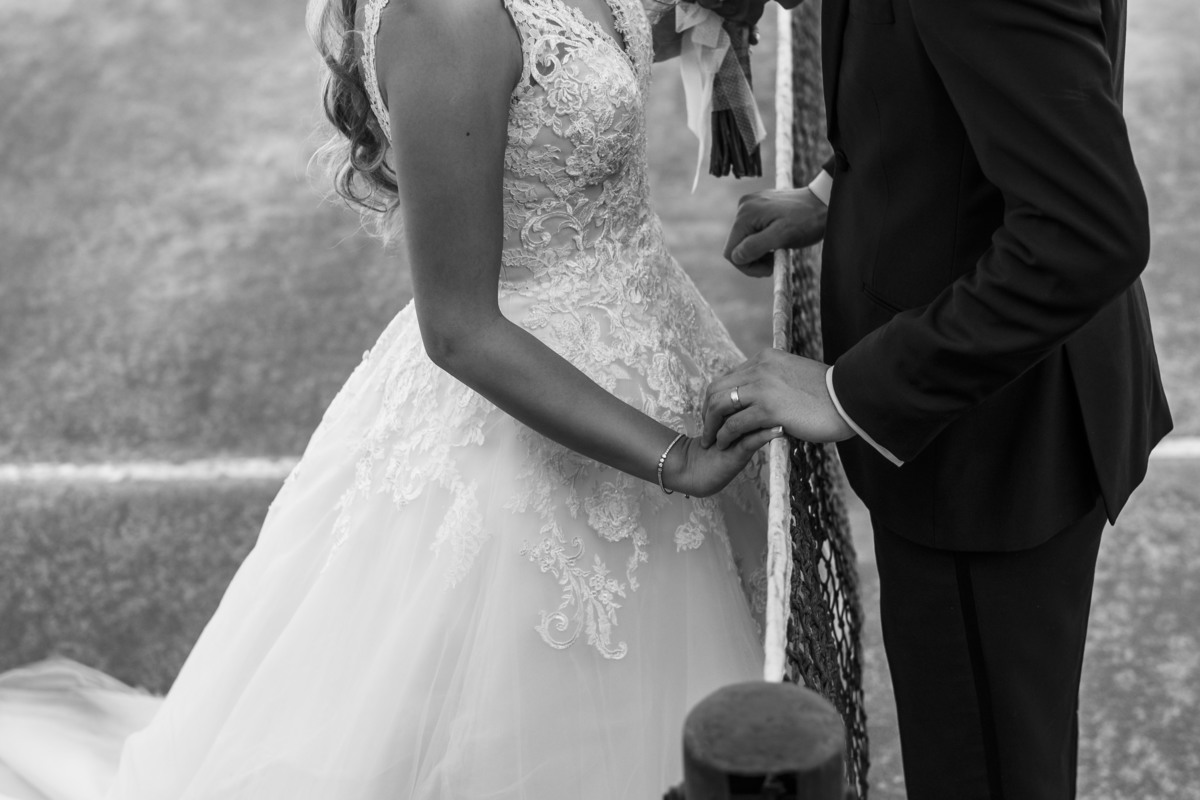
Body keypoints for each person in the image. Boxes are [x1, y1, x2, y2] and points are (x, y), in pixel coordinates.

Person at [0, 1, 792, 798]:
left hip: (654, 337)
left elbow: (579, 56)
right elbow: (458, 330)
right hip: (537, 418)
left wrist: (701, 16)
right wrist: (671, 455)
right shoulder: (441, 18)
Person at [714, 0, 1173, 797]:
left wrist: (848, 391)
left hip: (987, 452)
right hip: (975, 434)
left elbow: (1085, 229)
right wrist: (840, 188)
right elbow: (979, 86)